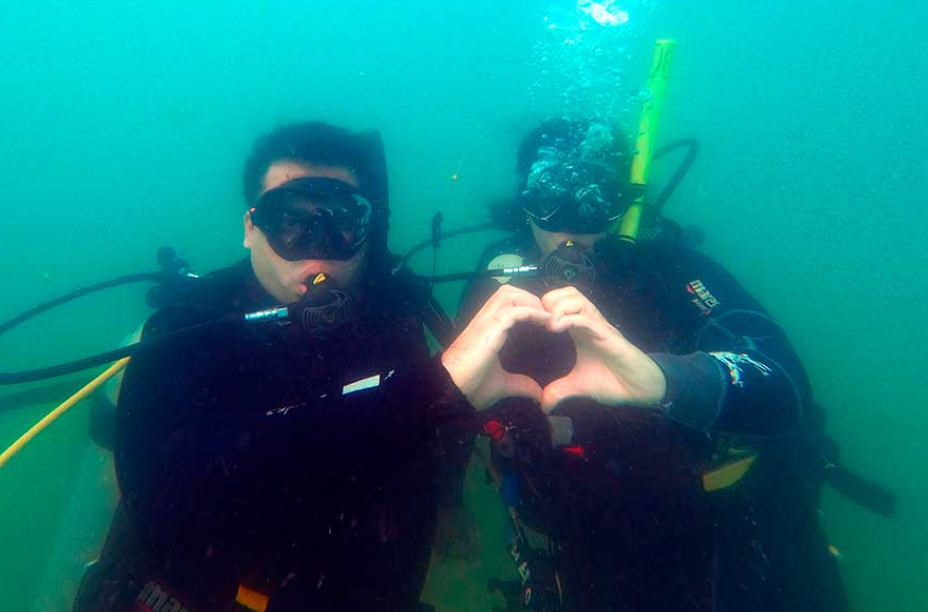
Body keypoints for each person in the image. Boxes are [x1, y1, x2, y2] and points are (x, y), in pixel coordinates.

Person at [73, 121, 492, 612]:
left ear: (368, 229)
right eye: (291, 219)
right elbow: (178, 515)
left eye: (342, 221)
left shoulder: (393, 318)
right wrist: (426, 396)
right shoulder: (191, 328)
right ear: (251, 227)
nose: (318, 244)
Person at [446, 118, 849, 612]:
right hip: (574, 539)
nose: (571, 224)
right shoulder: (496, 283)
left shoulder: (668, 270)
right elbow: (445, 405)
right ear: (524, 206)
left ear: (622, 205)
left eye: (595, 200)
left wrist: (667, 379)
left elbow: (782, 381)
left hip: (707, 527)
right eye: (548, 197)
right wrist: (447, 475)